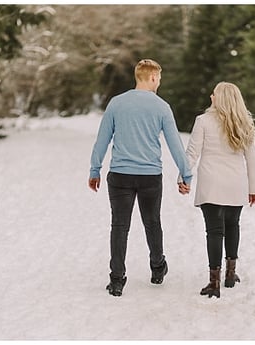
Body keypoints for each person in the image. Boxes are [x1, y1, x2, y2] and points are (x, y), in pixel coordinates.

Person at [89, 59, 192, 297]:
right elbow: (175, 144)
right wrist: (185, 174)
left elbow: (102, 140)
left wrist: (95, 170)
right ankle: (157, 267)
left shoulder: (117, 103)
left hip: (120, 176)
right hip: (150, 176)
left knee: (119, 226)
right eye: (159, 78)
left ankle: (117, 279)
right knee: (152, 222)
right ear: (153, 77)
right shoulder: (162, 107)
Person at [180, 81, 255, 299]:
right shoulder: (245, 124)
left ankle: (214, 282)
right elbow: (252, 160)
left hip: (211, 185)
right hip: (236, 185)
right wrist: (254, 189)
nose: (211, 96)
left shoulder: (203, 121)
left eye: (214, 94)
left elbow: (191, 154)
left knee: (214, 232)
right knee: (233, 226)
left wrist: (183, 178)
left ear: (222, 98)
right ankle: (230, 275)